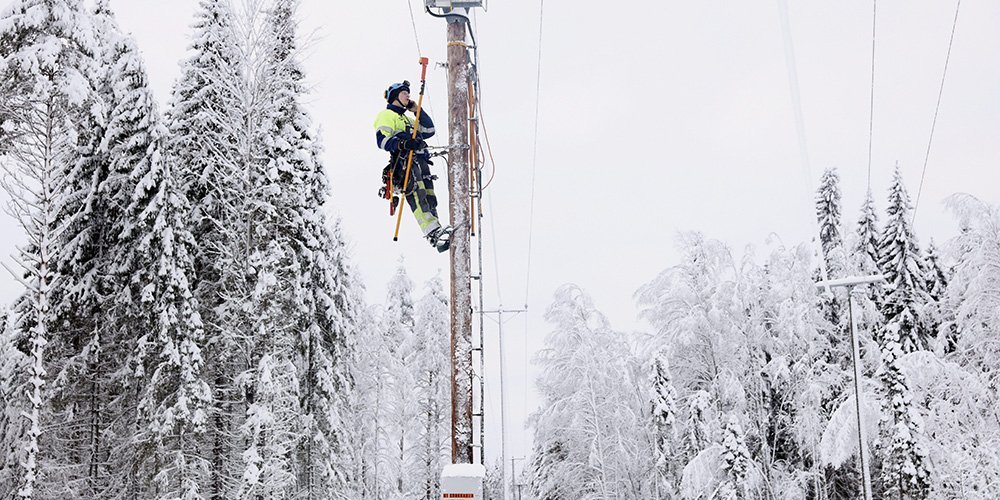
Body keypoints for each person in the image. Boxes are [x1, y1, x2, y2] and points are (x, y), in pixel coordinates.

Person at [375, 80, 452, 252]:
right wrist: (402, 144)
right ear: (395, 96)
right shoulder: (387, 115)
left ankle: (437, 230)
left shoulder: (408, 119)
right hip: (404, 162)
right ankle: (432, 232)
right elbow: (381, 140)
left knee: (430, 197)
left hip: (420, 161)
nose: (408, 95)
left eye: (408, 93)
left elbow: (429, 130)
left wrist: (417, 110)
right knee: (418, 194)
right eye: (404, 93)